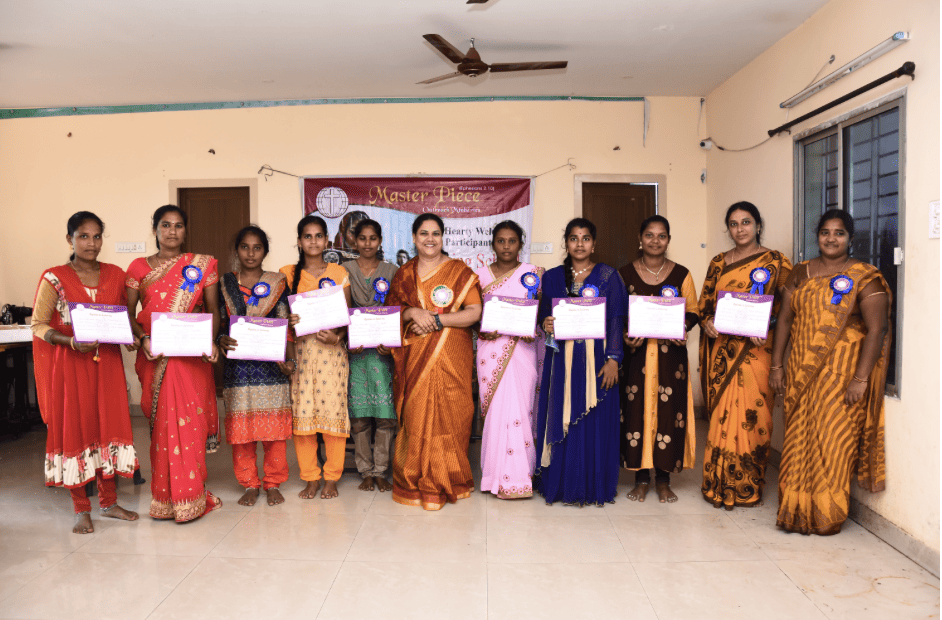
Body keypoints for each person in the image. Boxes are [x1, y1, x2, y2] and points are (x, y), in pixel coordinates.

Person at [770, 210, 890, 535]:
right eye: (825, 232)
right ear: (817, 235)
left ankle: (826, 515)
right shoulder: (801, 272)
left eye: (839, 233)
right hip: (799, 371)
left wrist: (861, 378)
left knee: (834, 441)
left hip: (842, 376)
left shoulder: (865, 277)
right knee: (797, 439)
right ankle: (794, 510)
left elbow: (876, 331)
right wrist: (777, 365)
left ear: (851, 238)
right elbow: (785, 321)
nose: (831, 239)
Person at [31, 212, 140, 533]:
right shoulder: (54, 277)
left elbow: (124, 317)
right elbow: (38, 324)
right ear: (70, 240)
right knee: (76, 430)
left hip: (106, 364)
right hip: (71, 365)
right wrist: (68, 341)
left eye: (96, 236)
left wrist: (133, 335)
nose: (91, 243)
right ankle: (81, 508)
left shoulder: (116, 275)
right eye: (83, 236)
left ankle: (108, 503)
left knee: (108, 427)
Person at [127, 205, 223, 522]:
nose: (172, 231)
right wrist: (143, 339)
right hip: (156, 356)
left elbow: (213, 311)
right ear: (155, 229)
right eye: (165, 225)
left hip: (192, 357)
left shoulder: (203, 265)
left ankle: (191, 496)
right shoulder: (138, 267)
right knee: (162, 429)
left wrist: (210, 341)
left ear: (185, 230)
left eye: (178, 226)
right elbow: (129, 315)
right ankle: (165, 499)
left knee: (190, 428)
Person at [698, 202, 792, 510]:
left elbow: (789, 308)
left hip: (757, 353)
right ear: (729, 229)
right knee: (721, 420)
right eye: (735, 224)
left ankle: (745, 486)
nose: (740, 229)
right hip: (723, 353)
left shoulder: (776, 261)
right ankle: (716, 483)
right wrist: (708, 323)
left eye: (746, 222)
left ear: (758, 225)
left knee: (754, 420)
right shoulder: (718, 262)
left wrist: (768, 324)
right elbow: (705, 306)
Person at [386, 213, 483, 510]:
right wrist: (413, 313)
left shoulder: (459, 271)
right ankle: (415, 478)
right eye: (424, 233)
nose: (430, 238)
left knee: (454, 415)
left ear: (443, 238)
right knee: (416, 416)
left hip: (452, 353)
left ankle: (450, 478)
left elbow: (475, 311)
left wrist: (438, 321)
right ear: (414, 238)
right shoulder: (404, 274)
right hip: (415, 358)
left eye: (436, 233)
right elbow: (393, 312)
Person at [536, 218, 627, 506]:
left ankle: (592, 485)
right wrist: (545, 323)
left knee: (594, 420)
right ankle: (562, 484)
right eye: (574, 238)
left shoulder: (609, 276)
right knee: (562, 416)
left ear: (594, 243)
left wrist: (613, 359)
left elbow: (615, 319)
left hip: (597, 361)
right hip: (561, 361)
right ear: (566, 242)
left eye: (585, 238)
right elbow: (541, 316)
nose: (579, 244)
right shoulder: (551, 277)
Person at [620, 215, 698, 504]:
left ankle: (663, 479)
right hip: (636, 357)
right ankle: (641, 478)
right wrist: (626, 335)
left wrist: (684, 329)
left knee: (669, 416)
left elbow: (693, 311)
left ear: (668, 240)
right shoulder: (624, 274)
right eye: (649, 235)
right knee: (636, 413)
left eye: (661, 235)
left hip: (670, 358)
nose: (655, 240)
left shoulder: (682, 274)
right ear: (640, 239)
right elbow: (617, 315)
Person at [217, 226, 296, 507]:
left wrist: (288, 360)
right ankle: (249, 483)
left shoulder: (277, 282)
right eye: (245, 247)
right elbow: (218, 321)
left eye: (257, 248)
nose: (251, 253)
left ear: (265, 251)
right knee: (242, 432)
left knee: (274, 431)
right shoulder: (224, 282)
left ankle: (273, 482)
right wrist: (219, 338)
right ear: (236, 250)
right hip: (238, 368)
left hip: (271, 367)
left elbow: (285, 324)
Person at [280, 215, 352, 500]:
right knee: (303, 417)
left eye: (318, 236)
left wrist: (338, 338)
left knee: (334, 415)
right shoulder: (286, 273)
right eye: (307, 236)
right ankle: (310, 476)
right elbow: (278, 316)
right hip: (302, 355)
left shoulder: (338, 273)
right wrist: (289, 320)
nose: (313, 241)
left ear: (327, 240)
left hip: (332, 354)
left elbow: (347, 317)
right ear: (299, 241)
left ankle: (332, 476)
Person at [476, 221, 544, 500]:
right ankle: (493, 476)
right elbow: (472, 314)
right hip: (490, 350)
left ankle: (520, 477)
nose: (506, 246)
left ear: (520, 244)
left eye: (512, 241)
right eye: (501, 241)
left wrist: (534, 328)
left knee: (523, 410)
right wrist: (482, 327)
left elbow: (540, 312)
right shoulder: (477, 275)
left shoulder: (534, 274)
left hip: (524, 350)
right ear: (493, 244)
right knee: (495, 414)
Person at [343, 218, 399, 492]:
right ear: (354, 240)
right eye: (362, 238)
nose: (367, 244)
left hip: (383, 355)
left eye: (372, 238)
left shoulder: (392, 270)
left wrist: (391, 343)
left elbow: (399, 308)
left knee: (386, 415)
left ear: (379, 241)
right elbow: (338, 312)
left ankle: (381, 471)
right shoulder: (344, 270)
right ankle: (365, 470)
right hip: (354, 354)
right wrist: (346, 338)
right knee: (360, 416)